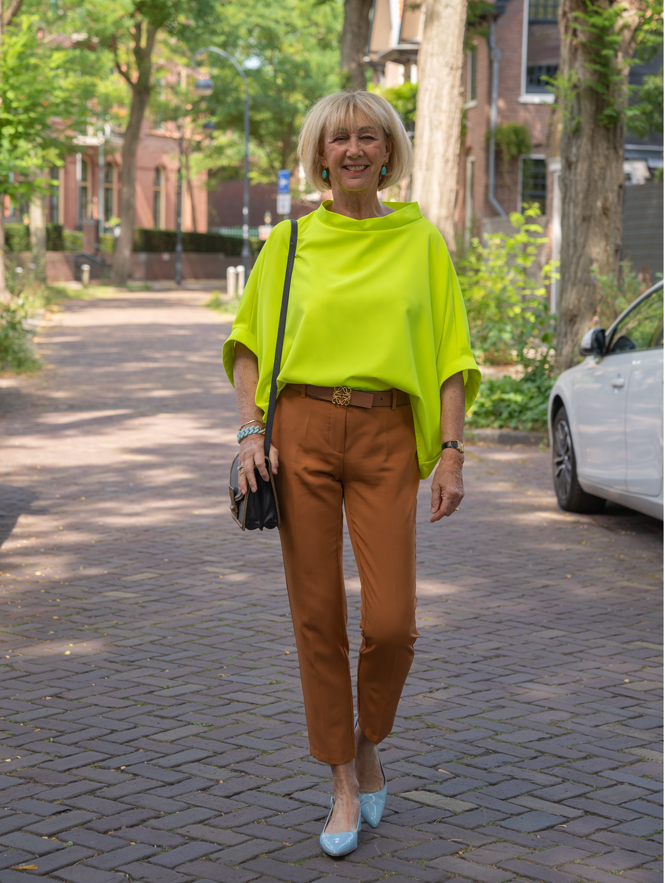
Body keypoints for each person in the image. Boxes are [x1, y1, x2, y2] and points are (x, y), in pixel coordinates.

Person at [223, 90, 480, 856]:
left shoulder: (419, 241)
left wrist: (453, 452)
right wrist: (247, 433)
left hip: (385, 434)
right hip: (298, 427)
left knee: (392, 622)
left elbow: (450, 354)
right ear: (320, 154)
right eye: (339, 139)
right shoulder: (289, 242)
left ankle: (370, 736)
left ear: (388, 150)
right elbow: (247, 346)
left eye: (369, 136)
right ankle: (341, 777)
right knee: (315, 614)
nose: (354, 149)